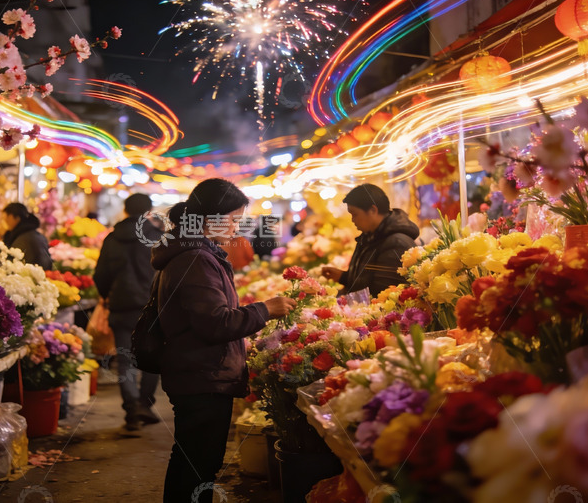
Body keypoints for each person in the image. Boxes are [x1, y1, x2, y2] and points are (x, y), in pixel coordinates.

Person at [151, 178, 296, 503]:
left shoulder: (196, 254)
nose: (236, 228)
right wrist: (265, 309)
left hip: (200, 371)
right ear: (207, 219)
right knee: (196, 466)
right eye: (232, 219)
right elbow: (215, 322)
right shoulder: (195, 260)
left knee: (196, 464)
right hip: (202, 374)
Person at [93, 193, 163, 431]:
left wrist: (106, 296)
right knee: (153, 357)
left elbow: (100, 275)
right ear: (148, 212)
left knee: (125, 359)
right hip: (151, 307)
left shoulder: (112, 239)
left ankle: (132, 408)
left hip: (121, 306)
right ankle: (144, 403)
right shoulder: (156, 237)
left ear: (124, 210)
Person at [321, 183, 419, 297]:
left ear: (373, 210)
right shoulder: (369, 236)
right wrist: (343, 277)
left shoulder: (396, 243)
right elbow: (366, 280)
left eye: (355, 214)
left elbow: (382, 294)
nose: (352, 220)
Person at [2, 203, 52, 270]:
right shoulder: (35, 234)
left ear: (16, 218)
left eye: (7, 218)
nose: (6, 221)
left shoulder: (22, 239)